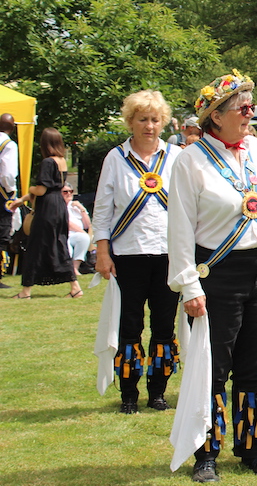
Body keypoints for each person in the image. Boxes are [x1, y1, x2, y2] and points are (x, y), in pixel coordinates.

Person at [167, 70, 257, 481]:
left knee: (253, 366)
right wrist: (189, 284)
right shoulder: (189, 160)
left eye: (250, 106)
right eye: (241, 108)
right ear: (215, 116)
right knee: (214, 367)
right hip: (217, 274)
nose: (249, 113)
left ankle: (252, 449)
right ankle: (206, 453)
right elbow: (180, 229)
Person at [92, 90, 182, 414]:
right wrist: (102, 252)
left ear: (164, 122)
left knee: (164, 327)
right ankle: (128, 393)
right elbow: (102, 212)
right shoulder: (115, 159)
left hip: (168, 256)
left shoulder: (175, 157)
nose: (149, 126)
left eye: (154, 119)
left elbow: (188, 208)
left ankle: (158, 391)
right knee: (129, 326)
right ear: (130, 122)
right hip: (127, 256)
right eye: (142, 119)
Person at [9, 128, 81, 299]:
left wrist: (29, 188)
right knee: (59, 243)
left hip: (47, 207)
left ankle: (26, 291)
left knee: (36, 245)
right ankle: (75, 287)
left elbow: (41, 190)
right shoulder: (62, 161)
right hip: (58, 205)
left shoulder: (48, 162)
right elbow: (53, 187)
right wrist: (23, 199)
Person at [0, 113, 19, 288]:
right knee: (2, 233)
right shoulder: (8, 145)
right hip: (1, 194)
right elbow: (7, 174)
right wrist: (11, 191)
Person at [64, 184, 92, 277]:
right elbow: (67, 223)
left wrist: (82, 209)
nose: (69, 194)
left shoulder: (75, 206)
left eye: (70, 191)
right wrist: (83, 232)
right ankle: (67, 270)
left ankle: (75, 268)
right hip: (63, 233)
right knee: (69, 247)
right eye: (65, 192)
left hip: (76, 234)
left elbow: (87, 224)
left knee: (83, 238)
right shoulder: (59, 206)